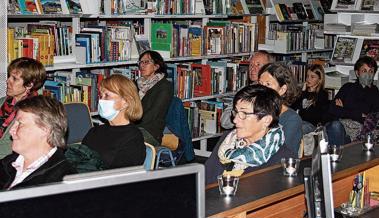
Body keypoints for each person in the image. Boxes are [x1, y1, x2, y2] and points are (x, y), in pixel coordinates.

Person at [205, 84, 291, 184]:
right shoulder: (227, 140)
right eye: (236, 112)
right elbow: (205, 180)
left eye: (244, 114)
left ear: (266, 120)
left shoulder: (282, 160)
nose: (235, 120)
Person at [0, 95, 76, 190]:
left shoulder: (61, 182)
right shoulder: (8, 163)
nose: (11, 131)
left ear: (45, 130)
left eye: (20, 124)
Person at [82, 74, 146, 169]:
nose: (101, 100)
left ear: (125, 102)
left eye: (107, 95)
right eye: (101, 95)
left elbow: (121, 177)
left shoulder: (133, 139)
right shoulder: (95, 131)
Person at [326, 56, 379, 146]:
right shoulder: (348, 87)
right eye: (364, 71)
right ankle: (338, 157)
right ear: (357, 73)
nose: (368, 74)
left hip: (361, 131)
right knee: (334, 126)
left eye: (371, 71)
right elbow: (333, 109)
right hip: (343, 127)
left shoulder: (375, 92)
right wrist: (358, 114)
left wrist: (344, 109)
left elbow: (371, 117)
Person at [0, 57, 47, 159]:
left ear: (29, 84)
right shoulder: (3, 102)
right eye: (9, 76)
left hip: (10, 162)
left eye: (15, 78)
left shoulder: (36, 111)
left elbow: (29, 149)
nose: (8, 81)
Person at [221, 51, 274, 129]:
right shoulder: (244, 91)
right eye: (251, 65)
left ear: (269, 68)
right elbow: (224, 121)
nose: (253, 68)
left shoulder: (273, 93)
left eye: (258, 65)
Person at [258, 62, 302, 155]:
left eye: (268, 84)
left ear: (282, 90)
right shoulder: (255, 111)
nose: (261, 89)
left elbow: (285, 154)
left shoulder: (291, 119)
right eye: (260, 84)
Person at [135, 50, 173, 146]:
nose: (142, 66)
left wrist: (128, 124)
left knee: (122, 139)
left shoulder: (165, 86)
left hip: (150, 131)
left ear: (156, 66)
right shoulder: (136, 84)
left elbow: (153, 114)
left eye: (146, 62)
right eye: (141, 62)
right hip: (134, 127)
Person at [292, 64, 329, 134]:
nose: (308, 79)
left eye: (312, 77)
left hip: (312, 125)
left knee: (300, 128)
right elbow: (294, 108)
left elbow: (315, 116)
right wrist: (302, 92)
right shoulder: (303, 92)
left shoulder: (322, 94)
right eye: (307, 76)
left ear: (320, 80)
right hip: (299, 122)